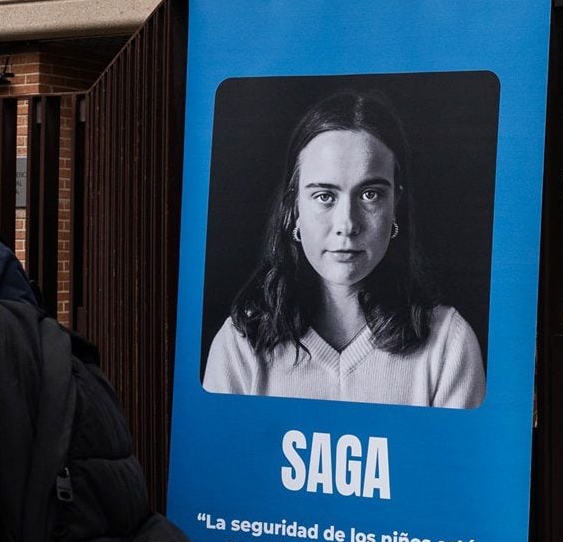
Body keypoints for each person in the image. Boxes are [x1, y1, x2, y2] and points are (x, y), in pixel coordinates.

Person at [203, 89, 485, 408]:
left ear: (396, 205)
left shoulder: (448, 344)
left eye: (370, 195)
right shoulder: (240, 345)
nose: (347, 224)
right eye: (325, 196)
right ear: (294, 209)